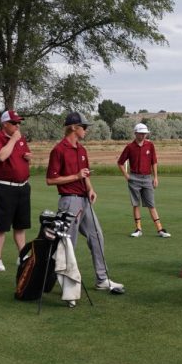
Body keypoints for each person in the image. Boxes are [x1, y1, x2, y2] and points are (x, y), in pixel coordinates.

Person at [45, 112, 124, 293]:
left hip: (84, 200)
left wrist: (90, 188)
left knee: (97, 236)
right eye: (84, 127)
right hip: (69, 201)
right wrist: (76, 177)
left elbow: (85, 173)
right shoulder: (59, 150)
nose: (86, 130)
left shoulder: (82, 150)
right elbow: (50, 180)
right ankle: (67, 285)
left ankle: (102, 279)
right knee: (69, 244)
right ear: (74, 127)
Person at [0, 109, 32, 272]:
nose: (17, 126)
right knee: (2, 225)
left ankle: (22, 256)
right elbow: (1, 156)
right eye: (14, 123)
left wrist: (28, 156)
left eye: (19, 123)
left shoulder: (21, 139)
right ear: (5, 124)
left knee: (20, 225)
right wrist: (13, 139)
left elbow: (25, 154)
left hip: (23, 186)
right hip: (5, 187)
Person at [117, 123, 170, 238]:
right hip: (134, 178)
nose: (143, 135)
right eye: (141, 133)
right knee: (136, 204)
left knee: (151, 204)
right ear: (136, 133)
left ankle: (160, 229)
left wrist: (155, 177)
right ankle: (138, 229)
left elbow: (154, 162)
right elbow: (120, 162)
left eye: (144, 134)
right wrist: (126, 175)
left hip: (147, 178)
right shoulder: (130, 147)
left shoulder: (150, 145)